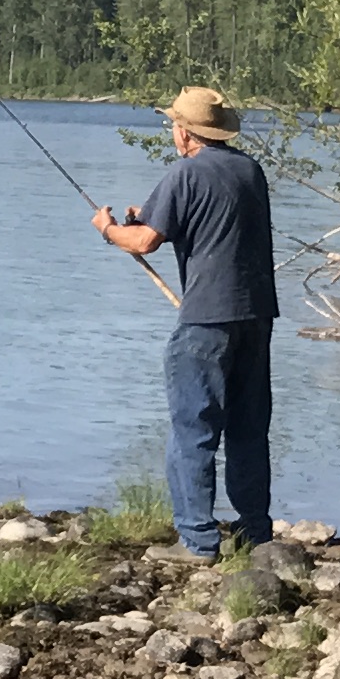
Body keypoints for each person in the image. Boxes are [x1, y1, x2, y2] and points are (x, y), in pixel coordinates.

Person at [93, 86, 278, 556]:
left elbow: (145, 242)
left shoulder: (185, 173)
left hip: (206, 320)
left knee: (194, 428)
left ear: (184, 132)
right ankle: (255, 532)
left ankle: (197, 541)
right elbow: (206, 220)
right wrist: (146, 214)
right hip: (257, 315)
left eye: (174, 124)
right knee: (248, 428)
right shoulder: (250, 171)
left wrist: (109, 228)